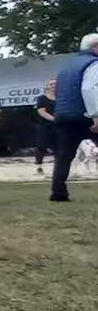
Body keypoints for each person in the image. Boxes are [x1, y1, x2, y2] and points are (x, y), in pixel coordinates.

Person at [49, 32, 98, 203]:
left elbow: (56, 91)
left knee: (64, 156)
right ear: (95, 47)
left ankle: (58, 192)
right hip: (85, 115)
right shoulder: (94, 63)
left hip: (63, 114)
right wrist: (96, 115)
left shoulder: (66, 66)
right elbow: (90, 90)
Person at [34, 79, 57, 174]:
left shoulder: (62, 98)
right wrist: (53, 119)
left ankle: (58, 166)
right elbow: (41, 111)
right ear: (47, 87)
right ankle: (39, 166)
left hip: (59, 127)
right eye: (51, 84)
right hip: (45, 126)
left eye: (55, 84)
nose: (53, 86)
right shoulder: (42, 98)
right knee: (41, 146)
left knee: (59, 147)